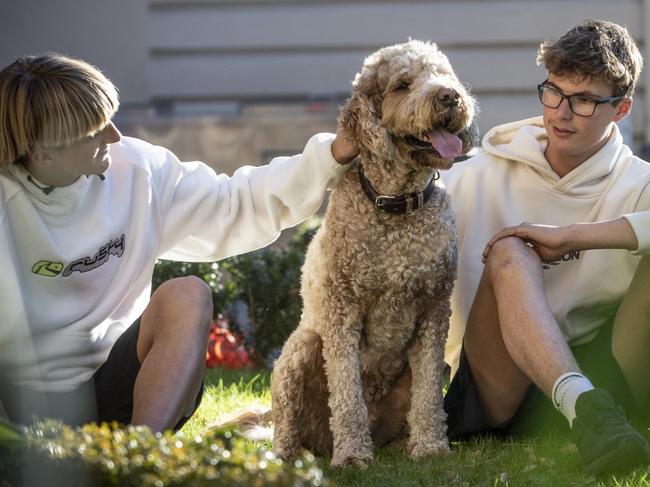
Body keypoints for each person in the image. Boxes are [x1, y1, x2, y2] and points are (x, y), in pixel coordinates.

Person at [0, 53, 357, 432]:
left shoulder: (137, 170)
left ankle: (141, 454)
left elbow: (235, 203)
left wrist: (332, 156)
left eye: (109, 120)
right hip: (20, 402)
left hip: (123, 389)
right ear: (42, 153)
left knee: (188, 294)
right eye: (94, 132)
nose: (115, 136)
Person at [440, 20, 650, 476]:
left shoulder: (638, 183)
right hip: (504, 391)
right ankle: (585, 409)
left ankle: (594, 412)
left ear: (622, 109)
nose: (561, 112)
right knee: (511, 249)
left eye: (585, 100)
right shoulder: (478, 175)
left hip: (608, 380)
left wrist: (571, 235)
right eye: (553, 91)